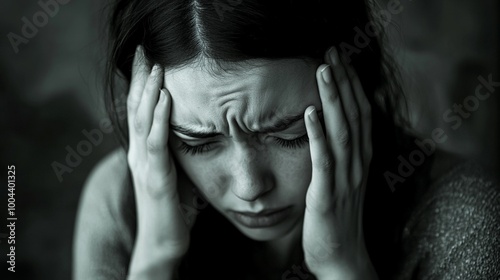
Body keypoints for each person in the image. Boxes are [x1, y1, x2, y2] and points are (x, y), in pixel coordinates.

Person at [73, 0, 500, 279]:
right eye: (198, 144)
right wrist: (154, 259)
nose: (249, 187)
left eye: (289, 135)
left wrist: (342, 266)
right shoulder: (119, 204)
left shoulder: (463, 217)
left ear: (356, 91)